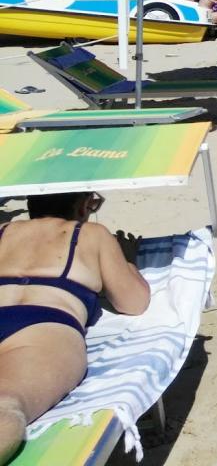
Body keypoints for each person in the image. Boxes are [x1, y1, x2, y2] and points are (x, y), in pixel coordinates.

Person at [0, 192, 150, 459]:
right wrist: (128, 262)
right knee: (6, 405)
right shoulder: (92, 234)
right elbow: (133, 302)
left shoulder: (4, 230)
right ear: (83, 207)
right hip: (44, 326)